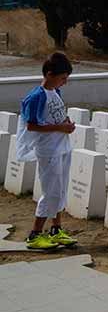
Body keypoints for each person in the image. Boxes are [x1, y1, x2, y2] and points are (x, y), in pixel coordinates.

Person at [16, 52, 78, 250]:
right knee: (50, 191)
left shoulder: (55, 93)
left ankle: (56, 229)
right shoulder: (35, 97)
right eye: (62, 78)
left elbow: (56, 116)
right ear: (50, 74)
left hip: (62, 146)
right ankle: (35, 235)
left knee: (60, 189)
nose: (65, 82)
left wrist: (66, 123)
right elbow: (32, 125)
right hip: (49, 149)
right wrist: (60, 128)